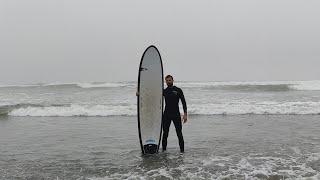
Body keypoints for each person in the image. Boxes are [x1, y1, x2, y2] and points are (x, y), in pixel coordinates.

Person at [162, 75, 187, 153]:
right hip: (166, 115)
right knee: (165, 134)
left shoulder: (178, 90)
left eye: (169, 80)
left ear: (173, 80)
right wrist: (139, 93)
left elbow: (183, 102)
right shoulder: (164, 91)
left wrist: (185, 114)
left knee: (179, 133)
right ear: (165, 81)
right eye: (167, 80)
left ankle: (182, 152)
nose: (168, 82)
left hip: (176, 114)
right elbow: (153, 95)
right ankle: (164, 151)